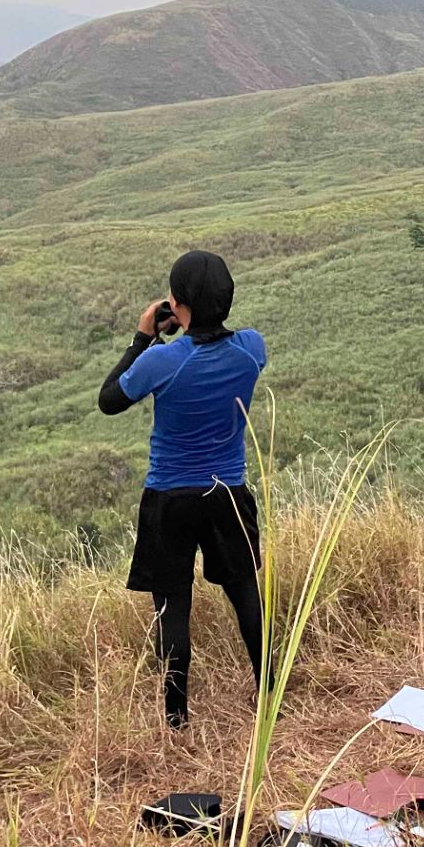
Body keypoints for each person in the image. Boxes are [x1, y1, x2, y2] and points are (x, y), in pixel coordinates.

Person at [99, 251, 268, 728]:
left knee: (173, 606)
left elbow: (109, 400)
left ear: (176, 303)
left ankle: (176, 718)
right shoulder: (252, 348)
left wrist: (143, 337)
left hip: (169, 498)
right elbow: (222, 342)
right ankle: (269, 689)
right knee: (245, 593)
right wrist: (191, 320)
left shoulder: (162, 361)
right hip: (227, 491)